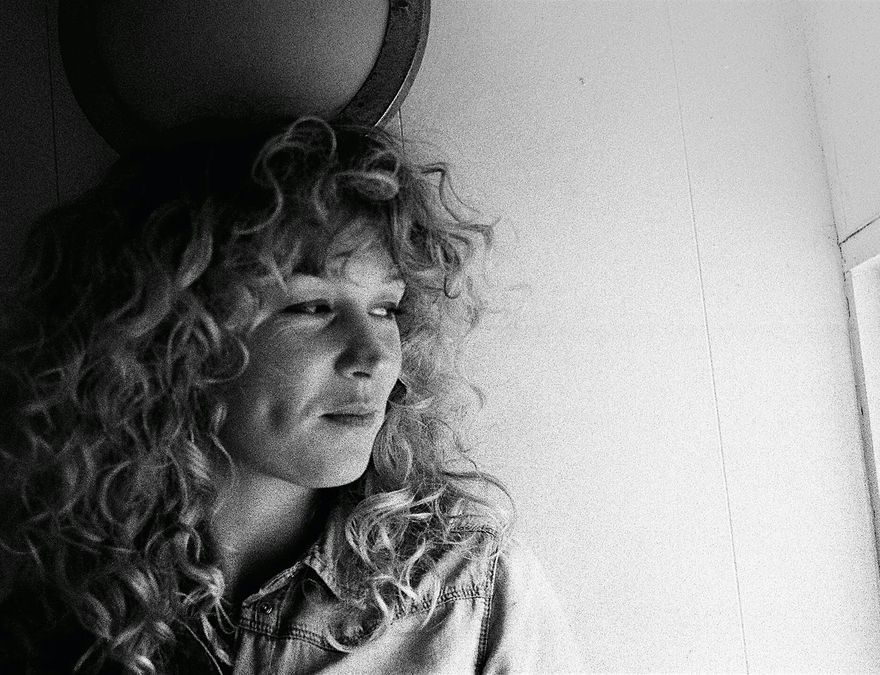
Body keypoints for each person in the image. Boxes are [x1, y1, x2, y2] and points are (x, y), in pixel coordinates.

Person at [0, 117, 580, 674]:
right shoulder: (49, 590)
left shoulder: (468, 589)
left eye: (386, 308)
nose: (376, 356)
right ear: (177, 339)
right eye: (312, 306)